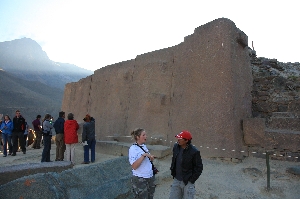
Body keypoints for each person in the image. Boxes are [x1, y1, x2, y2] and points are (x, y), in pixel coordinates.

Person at [169, 130, 203, 199]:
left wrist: (191, 180)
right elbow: (174, 161)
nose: (178, 140)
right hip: (176, 180)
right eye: (178, 138)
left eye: (180, 139)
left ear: (186, 140)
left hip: (187, 182)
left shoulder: (194, 152)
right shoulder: (176, 147)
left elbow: (199, 167)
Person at [128, 128, 156, 199]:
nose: (146, 136)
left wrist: (151, 157)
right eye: (143, 135)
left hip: (150, 177)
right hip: (140, 178)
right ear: (138, 137)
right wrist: (143, 156)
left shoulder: (144, 146)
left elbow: (147, 160)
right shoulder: (133, 149)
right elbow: (134, 166)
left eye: (145, 135)